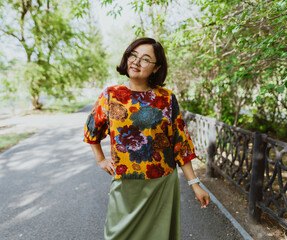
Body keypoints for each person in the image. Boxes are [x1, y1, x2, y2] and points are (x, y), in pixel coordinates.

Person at [83, 37, 210, 240]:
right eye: (133, 55)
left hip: (161, 183)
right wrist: (100, 159)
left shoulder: (166, 98)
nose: (136, 61)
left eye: (145, 59)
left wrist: (194, 183)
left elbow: (180, 143)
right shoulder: (111, 95)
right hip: (125, 182)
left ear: (156, 67)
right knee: (117, 235)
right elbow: (92, 130)